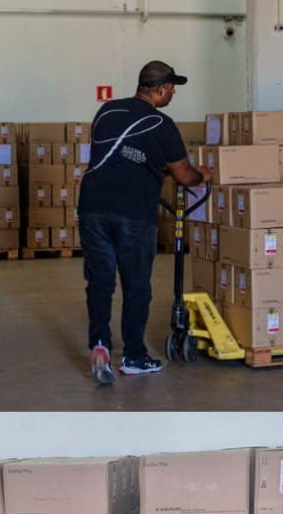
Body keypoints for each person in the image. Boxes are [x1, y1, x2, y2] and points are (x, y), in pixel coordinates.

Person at [78, 60, 213, 385]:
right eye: (172, 89)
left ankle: (100, 345)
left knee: (100, 281)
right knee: (136, 285)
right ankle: (134, 357)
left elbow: (124, 154)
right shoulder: (162, 124)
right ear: (161, 90)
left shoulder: (107, 111)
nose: (173, 94)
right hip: (133, 213)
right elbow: (184, 176)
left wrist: (156, 167)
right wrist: (203, 175)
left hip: (93, 207)